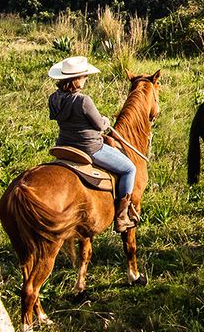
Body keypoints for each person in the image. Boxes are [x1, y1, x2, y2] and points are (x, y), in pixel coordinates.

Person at [47, 55, 138, 232]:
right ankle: (122, 217)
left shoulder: (54, 98)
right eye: (84, 76)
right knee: (129, 168)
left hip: (65, 145)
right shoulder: (83, 100)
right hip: (90, 148)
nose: (86, 79)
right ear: (75, 79)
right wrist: (105, 120)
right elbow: (99, 124)